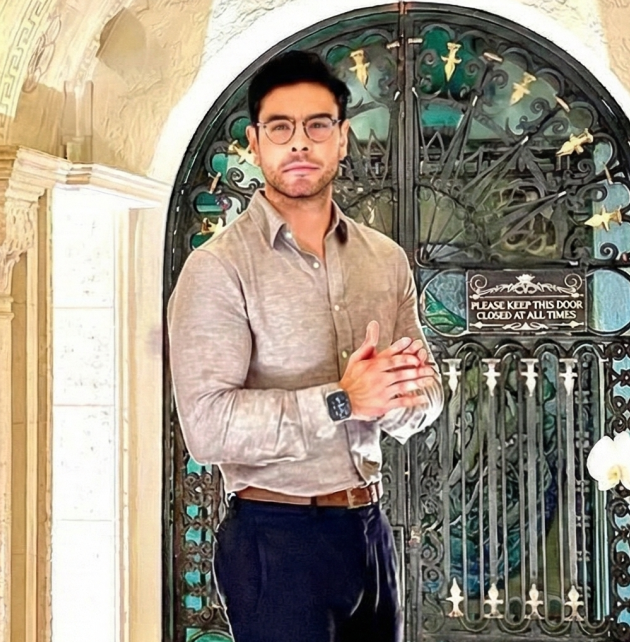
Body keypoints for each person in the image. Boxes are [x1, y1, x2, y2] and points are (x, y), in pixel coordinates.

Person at [167, 50, 444, 642]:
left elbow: (429, 393)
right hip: (276, 538)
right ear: (255, 143)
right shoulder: (218, 269)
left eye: (318, 126)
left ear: (342, 139)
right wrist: (343, 400)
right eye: (280, 127)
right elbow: (208, 428)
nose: (299, 142)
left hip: (370, 530)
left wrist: (397, 398)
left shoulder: (384, 260)